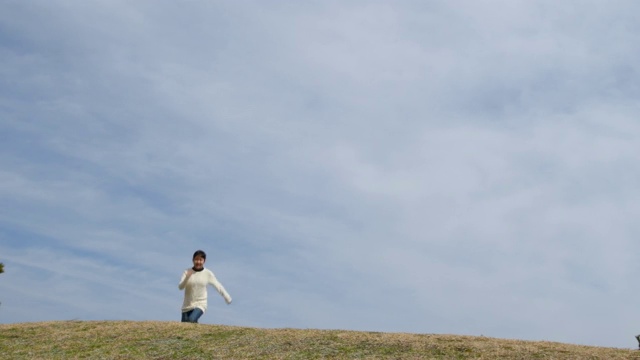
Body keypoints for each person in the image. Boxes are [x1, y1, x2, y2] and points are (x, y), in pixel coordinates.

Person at [178, 250, 232, 323]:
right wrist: (187, 277)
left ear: (204, 261)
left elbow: (218, 286)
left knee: (191, 320)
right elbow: (180, 287)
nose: (198, 262)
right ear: (193, 260)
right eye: (196, 259)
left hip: (200, 304)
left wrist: (227, 297)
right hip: (186, 307)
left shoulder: (207, 273)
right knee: (184, 329)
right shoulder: (187, 271)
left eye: (200, 260)